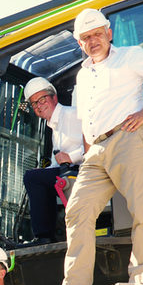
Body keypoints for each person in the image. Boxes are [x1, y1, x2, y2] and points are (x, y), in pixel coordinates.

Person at [41, 8, 143, 285]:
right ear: (79, 44)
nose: (93, 41)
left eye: (96, 34)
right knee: (77, 210)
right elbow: (85, 119)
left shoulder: (130, 57)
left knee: (141, 211)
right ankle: (76, 283)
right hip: (97, 151)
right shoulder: (82, 75)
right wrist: (88, 149)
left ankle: (142, 277)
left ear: (109, 33)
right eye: (85, 38)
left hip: (129, 138)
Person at [21, 77, 84, 245]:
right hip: (68, 174)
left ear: (54, 98)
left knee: (32, 178)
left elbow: (98, 141)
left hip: (84, 172)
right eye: (34, 104)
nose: (39, 106)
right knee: (39, 177)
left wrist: (72, 157)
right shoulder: (54, 127)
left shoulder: (72, 115)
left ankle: (43, 236)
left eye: (42, 99)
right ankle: (49, 233)